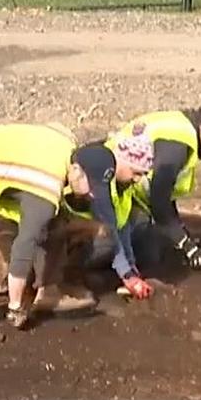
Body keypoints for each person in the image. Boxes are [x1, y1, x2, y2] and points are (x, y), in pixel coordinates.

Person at [0, 122, 155, 348]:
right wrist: (15, 307)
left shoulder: (76, 159)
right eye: (90, 189)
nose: (91, 195)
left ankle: (49, 289)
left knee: (56, 222)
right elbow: (25, 247)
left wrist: (128, 274)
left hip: (10, 166)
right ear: (77, 172)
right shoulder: (46, 190)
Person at [108, 98, 201, 270]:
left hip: (118, 186)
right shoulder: (176, 148)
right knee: (149, 254)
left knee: (161, 243)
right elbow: (159, 201)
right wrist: (186, 245)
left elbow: (163, 194)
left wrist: (182, 236)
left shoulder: (181, 126)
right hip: (109, 191)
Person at [67, 128, 157, 303]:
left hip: (86, 233)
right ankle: (68, 278)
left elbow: (122, 227)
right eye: (136, 172)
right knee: (107, 241)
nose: (138, 179)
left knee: (139, 222)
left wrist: (132, 269)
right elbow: (111, 229)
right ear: (121, 161)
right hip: (67, 235)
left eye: (143, 174)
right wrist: (127, 276)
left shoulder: (123, 186)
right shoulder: (98, 180)